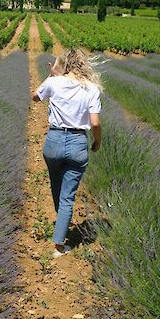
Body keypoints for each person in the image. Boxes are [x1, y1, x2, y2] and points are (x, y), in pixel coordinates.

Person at [32, 49, 102, 258]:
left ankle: (60, 218)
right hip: (77, 142)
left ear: (63, 65)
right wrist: (97, 141)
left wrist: (51, 76)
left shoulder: (54, 82)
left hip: (53, 141)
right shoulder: (91, 89)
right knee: (68, 196)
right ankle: (59, 246)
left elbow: (35, 97)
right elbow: (95, 122)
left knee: (56, 183)